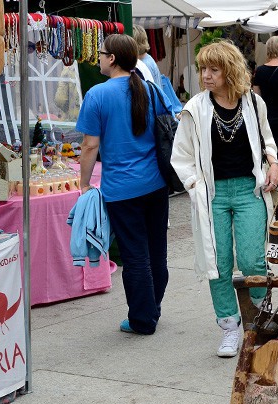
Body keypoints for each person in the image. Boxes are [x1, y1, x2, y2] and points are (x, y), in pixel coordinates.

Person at [171, 40, 278, 356]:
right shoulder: (194, 108)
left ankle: (259, 313)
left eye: (213, 69)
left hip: (249, 189)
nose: (205, 75)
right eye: (203, 68)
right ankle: (229, 327)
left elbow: (268, 139)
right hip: (212, 194)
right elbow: (181, 156)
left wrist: (272, 163)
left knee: (251, 258)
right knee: (216, 263)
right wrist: (194, 186)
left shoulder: (254, 104)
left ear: (229, 71)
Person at [77, 33, 173, 335]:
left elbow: (90, 145)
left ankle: (143, 319)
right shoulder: (151, 90)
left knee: (135, 256)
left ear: (112, 59)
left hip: (121, 189)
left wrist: (83, 184)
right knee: (157, 252)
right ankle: (152, 308)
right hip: (156, 184)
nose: (99, 58)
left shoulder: (97, 95)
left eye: (102, 53)